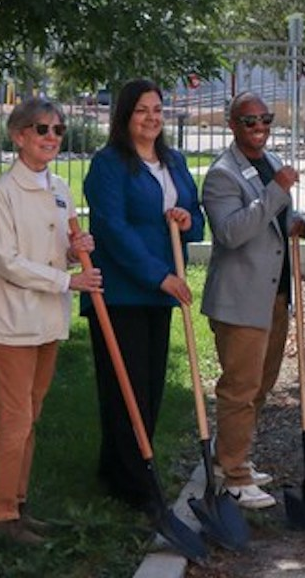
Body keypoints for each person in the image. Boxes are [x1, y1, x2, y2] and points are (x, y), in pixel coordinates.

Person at [0, 98, 102, 543]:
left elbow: (56, 246)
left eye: (58, 130)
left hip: (46, 321)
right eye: (41, 129)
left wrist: (74, 248)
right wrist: (67, 281)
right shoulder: (2, 193)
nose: (51, 137)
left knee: (32, 416)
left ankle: (18, 507)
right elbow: (6, 262)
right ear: (18, 135)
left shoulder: (60, 187)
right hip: (10, 323)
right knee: (14, 419)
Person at [83, 79, 204, 510]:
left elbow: (197, 216)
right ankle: (135, 484)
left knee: (149, 388)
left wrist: (187, 219)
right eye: (141, 110)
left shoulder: (173, 160)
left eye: (157, 109)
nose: (152, 117)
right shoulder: (109, 164)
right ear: (124, 116)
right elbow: (113, 231)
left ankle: (119, 471)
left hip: (159, 294)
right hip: (121, 293)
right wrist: (159, 276)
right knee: (125, 388)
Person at [200, 92, 303, 509]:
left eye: (265, 119)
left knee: (261, 386)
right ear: (232, 125)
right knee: (240, 388)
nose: (259, 127)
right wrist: (277, 195)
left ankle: (231, 458)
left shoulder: (271, 163)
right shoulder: (223, 175)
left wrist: (294, 221)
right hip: (241, 300)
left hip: (274, 296)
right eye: (249, 121)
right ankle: (235, 475)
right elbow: (230, 233)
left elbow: (270, 224)